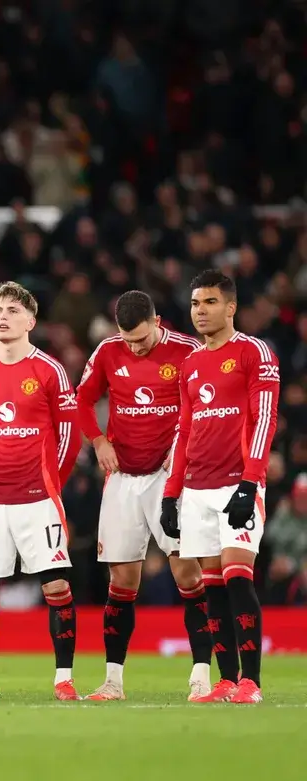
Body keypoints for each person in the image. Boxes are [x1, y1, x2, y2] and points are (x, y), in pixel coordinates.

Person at [75, 290, 214, 700]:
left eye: (141, 338)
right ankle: (113, 681)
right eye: (127, 339)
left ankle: (201, 676)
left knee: (187, 573)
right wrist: (98, 440)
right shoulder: (108, 351)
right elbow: (82, 399)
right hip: (122, 478)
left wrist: (188, 452)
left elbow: (207, 405)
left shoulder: (187, 351)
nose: (134, 347)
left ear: (157, 322)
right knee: (121, 580)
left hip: (170, 478)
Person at [0, 281, 80, 701]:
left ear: (31, 321)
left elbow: (69, 437)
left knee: (55, 586)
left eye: (12, 311)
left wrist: (50, 484)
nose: (2, 318)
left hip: (38, 499)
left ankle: (64, 679)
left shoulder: (49, 370)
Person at [161, 270, 280, 705]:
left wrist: (250, 482)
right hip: (197, 487)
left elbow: (265, 419)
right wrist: (171, 492)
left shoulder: (254, 352)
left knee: (237, 575)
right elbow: (185, 430)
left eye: (210, 302)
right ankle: (226, 680)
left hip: (237, 484)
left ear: (231, 307)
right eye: (195, 303)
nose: (201, 311)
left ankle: (252, 682)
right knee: (211, 585)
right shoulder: (191, 365)